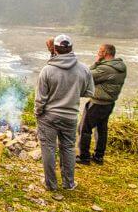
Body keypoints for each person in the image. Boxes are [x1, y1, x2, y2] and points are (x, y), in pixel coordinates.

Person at [34, 34, 94, 191]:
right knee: (68, 148)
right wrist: (72, 93)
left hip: (49, 117)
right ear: (71, 49)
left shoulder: (47, 70)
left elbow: (40, 99)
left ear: (55, 49)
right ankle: (69, 183)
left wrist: (38, 113)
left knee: (48, 148)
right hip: (70, 116)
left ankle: (51, 185)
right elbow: (89, 92)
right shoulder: (84, 69)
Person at [78, 44, 127, 165]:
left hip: (98, 103)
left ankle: (84, 157)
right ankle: (99, 156)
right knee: (102, 129)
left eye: (100, 51)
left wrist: (96, 62)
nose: (98, 52)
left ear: (105, 52)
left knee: (84, 129)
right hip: (109, 103)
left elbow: (87, 75)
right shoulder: (121, 66)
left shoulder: (105, 69)